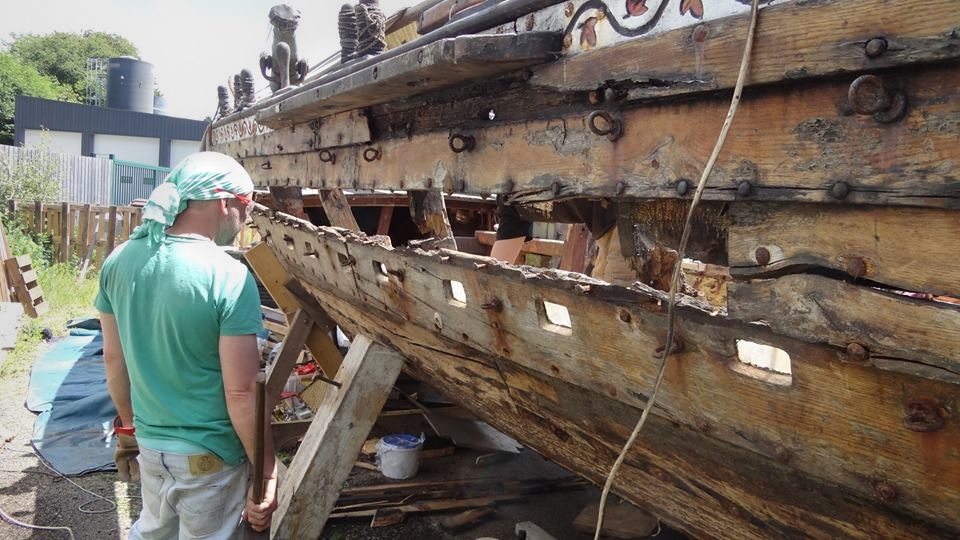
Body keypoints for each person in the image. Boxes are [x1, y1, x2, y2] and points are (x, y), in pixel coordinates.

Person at [95, 152, 278, 538]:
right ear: (224, 203)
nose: (246, 218)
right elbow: (241, 393)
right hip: (210, 456)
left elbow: (114, 358)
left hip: (151, 444)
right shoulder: (229, 275)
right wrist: (266, 472)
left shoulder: (119, 260)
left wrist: (129, 428)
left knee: (154, 531)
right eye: (247, 207)